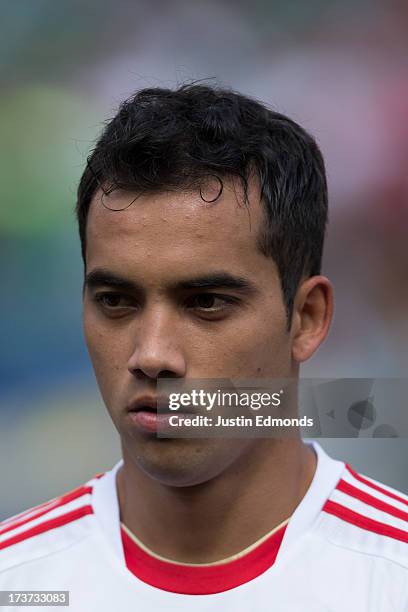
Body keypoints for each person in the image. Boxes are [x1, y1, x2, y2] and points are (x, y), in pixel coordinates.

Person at [0, 84, 407, 611]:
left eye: (207, 302)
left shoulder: (391, 576)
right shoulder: (19, 581)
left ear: (307, 319)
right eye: (116, 300)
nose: (151, 354)